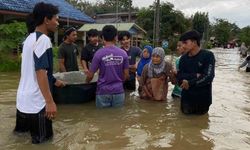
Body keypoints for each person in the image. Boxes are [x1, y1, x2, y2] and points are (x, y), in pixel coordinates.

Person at [14, 2, 65, 144]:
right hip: (38, 104)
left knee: (19, 139)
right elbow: (40, 72)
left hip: (22, 101)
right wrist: (49, 102)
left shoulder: (28, 40)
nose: (57, 23)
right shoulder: (43, 40)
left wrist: (55, 81)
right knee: (44, 144)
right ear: (46, 20)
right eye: (56, 19)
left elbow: (33, 70)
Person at [86, 25, 129, 108]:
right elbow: (126, 75)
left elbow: (90, 75)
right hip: (118, 92)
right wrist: (118, 83)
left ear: (102, 37)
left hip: (103, 92)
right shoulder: (123, 54)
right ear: (116, 37)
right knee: (118, 117)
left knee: (102, 118)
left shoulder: (98, 54)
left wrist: (86, 82)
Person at [177, 30, 215, 115]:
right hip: (186, 100)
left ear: (194, 42)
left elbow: (208, 77)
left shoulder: (208, 56)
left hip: (202, 100)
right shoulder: (183, 58)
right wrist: (195, 75)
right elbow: (180, 77)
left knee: (200, 125)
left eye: (185, 43)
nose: (182, 46)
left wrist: (190, 83)